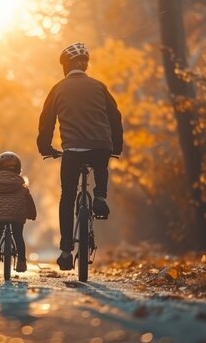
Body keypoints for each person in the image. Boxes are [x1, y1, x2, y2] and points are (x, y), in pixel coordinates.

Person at [36, 42, 123, 271]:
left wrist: (45, 147)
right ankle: (100, 195)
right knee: (101, 162)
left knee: (68, 195)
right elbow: (115, 117)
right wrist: (116, 146)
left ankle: (66, 251)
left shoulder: (58, 89)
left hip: (73, 149)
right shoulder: (100, 86)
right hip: (100, 146)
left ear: (65, 66)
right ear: (85, 66)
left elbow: (46, 121)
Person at [0, 151, 37, 273]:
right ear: (18, 170)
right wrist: (31, 215)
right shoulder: (23, 189)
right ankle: (21, 263)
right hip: (17, 216)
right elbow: (30, 204)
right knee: (18, 237)